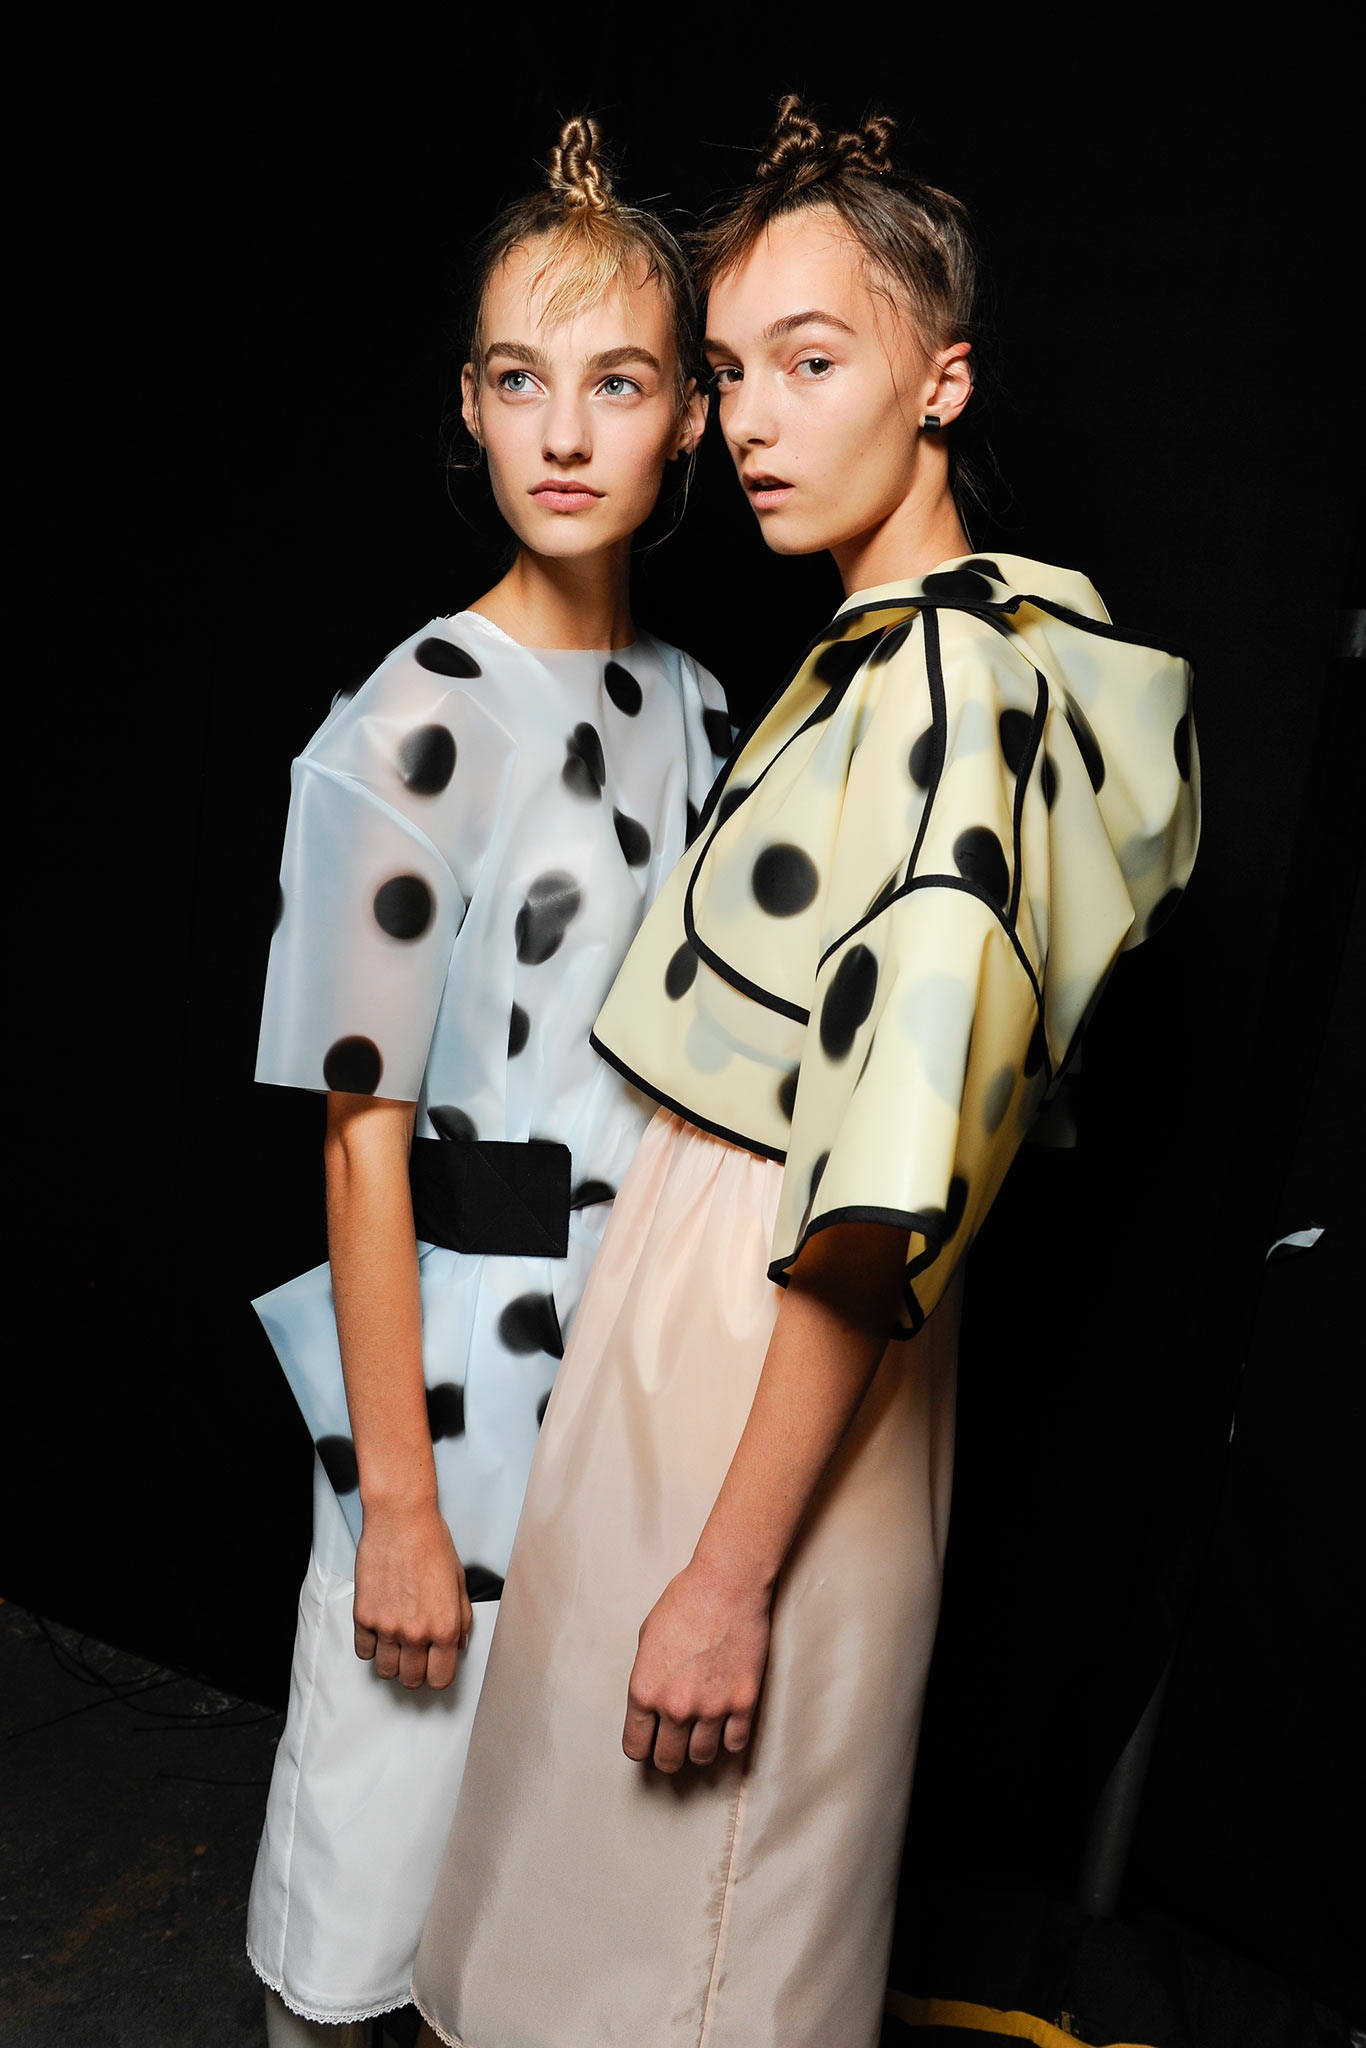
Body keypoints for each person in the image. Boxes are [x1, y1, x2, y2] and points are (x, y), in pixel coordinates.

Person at [411, 94, 1201, 2048]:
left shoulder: (946, 683)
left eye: (813, 361)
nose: (751, 420)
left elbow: (872, 1196)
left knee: (680, 1952)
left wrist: (728, 1577)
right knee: (591, 1919)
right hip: (715, 1301)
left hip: (772, 1328)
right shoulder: (889, 653)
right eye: (732, 369)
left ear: (941, 380)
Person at [244, 116, 730, 2045]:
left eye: (616, 382)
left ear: (689, 414)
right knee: (361, 1902)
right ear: (468, 403)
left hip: (640, 1389)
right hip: (450, 1384)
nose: (564, 432)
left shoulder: (701, 707)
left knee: (561, 1922)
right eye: (520, 380)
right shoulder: (407, 724)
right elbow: (358, 1146)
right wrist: (400, 1510)